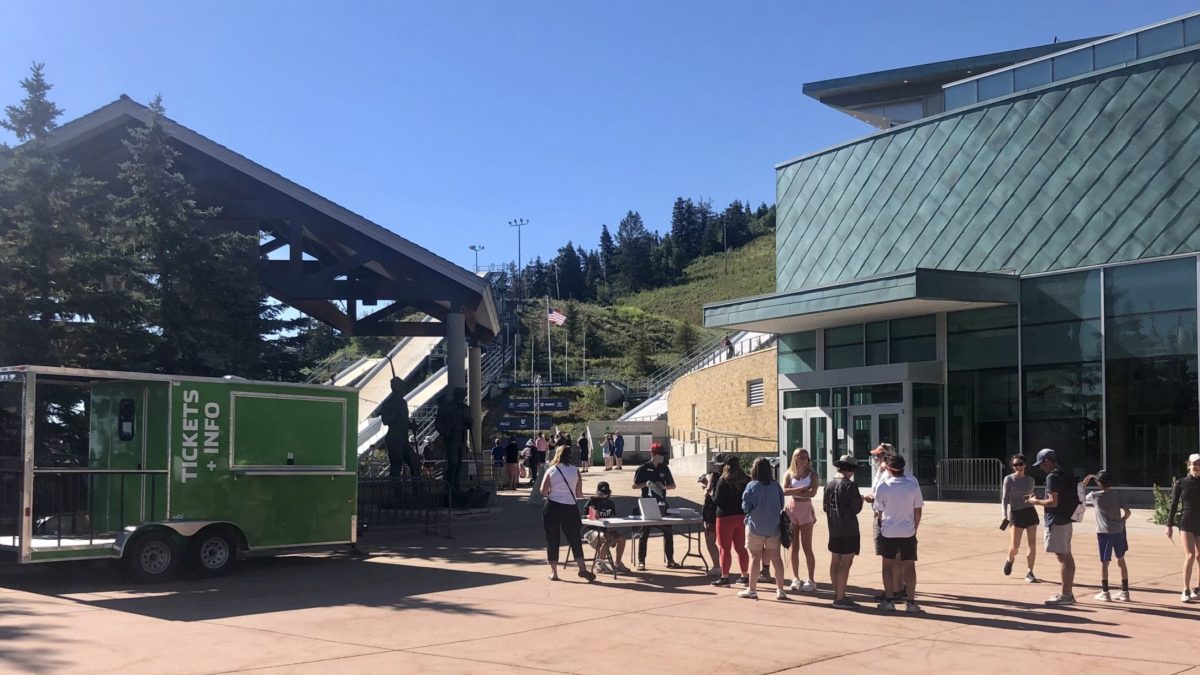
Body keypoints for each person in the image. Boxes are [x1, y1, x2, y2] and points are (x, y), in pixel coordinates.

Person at [1025, 448, 1077, 605]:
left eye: (1041, 464)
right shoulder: (1065, 474)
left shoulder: (1052, 477)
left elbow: (1052, 501)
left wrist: (1035, 501)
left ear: (1047, 462)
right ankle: (1067, 592)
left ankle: (1066, 594)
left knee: (1063, 557)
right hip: (1066, 519)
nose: (1041, 468)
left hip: (1057, 520)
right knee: (1066, 555)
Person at [873, 454, 923, 613]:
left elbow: (878, 511)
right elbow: (918, 511)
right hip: (908, 531)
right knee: (909, 566)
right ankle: (911, 602)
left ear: (888, 468)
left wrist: (882, 525)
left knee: (887, 566)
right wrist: (914, 528)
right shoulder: (913, 485)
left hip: (888, 531)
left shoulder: (883, 486)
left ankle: (889, 600)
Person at [540, 445, 596, 582]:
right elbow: (579, 493)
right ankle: (582, 568)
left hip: (552, 506)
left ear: (557, 455)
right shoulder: (575, 471)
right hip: (570, 507)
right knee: (574, 538)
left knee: (552, 538)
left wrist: (553, 491)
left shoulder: (552, 470)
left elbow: (542, 490)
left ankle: (554, 573)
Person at [738, 457, 788, 601]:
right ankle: (780, 590)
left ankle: (752, 589)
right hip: (773, 527)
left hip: (755, 527)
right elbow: (781, 504)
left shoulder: (752, 486)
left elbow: (746, 507)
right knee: (776, 559)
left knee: (755, 558)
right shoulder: (776, 486)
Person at [863, 443, 907, 600]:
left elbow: (884, 495)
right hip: (891, 517)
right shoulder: (882, 471)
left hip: (886, 519)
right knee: (897, 556)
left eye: (880, 455)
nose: (876, 458)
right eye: (876, 455)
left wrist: (870, 499)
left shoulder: (889, 474)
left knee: (892, 556)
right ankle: (899, 587)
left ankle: (895, 590)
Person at [1082, 470, 1131, 601]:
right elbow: (1127, 512)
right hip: (1118, 530)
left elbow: (1079, 497)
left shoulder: (1094, 495)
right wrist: (1122, 520)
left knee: (1105, 562)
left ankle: (1105, 591)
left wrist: (1084, 484)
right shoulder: (1117, 495)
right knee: (1121, 560)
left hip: (1104, 532)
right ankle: (1125, 591)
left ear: (1098, 483)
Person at [825, 453, 864, 608]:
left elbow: (825, 507)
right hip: (848, 529)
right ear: (850, 470)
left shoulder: (829, 485)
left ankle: (837, 592)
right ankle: (840, 598)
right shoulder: (850, 485)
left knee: (835, 561)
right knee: (845, 563)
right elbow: (855, 508)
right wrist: (860, 500)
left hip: (833, 528)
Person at [632, 443, 678, 570]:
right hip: (647, 504)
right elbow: (634, 485)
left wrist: (664, 487)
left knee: (668, 532)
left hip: (662, 504)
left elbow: (673, 485)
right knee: (644, 533)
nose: (662, 457)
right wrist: (645, 484)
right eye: (660, 455)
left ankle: (670, 560)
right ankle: (641, 561)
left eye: (663, 455)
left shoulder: (664, 468)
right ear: (653, 454)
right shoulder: (643, 468)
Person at [783, 447, 819, 593]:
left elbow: (813, 492)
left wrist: (798, 492)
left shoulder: (812, 474)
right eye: (800, 456)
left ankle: (811, 579)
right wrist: (800, 490)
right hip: (792, 510)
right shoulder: (789, 474)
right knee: (794, 546)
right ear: (794, 457)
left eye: (805, 457)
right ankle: (795, 577)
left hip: (805, 510)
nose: (803, 459)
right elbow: (784, 490)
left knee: (807, 546)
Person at [711, 456, 750, 587]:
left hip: (725, 517)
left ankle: (725, 577)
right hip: (741, 516)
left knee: (724, 548)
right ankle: (744, 576)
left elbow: (716, 500)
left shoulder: (723, 480)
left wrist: (711, 491)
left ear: (726, 466)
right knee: (741, 548)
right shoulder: (746, 480)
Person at [1000, 453, 1039, 583]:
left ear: (1025, 465)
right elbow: (1005, 498)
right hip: (1016, 513)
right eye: (1015, 465)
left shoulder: (1030, 480)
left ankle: (1030, 571)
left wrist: (1033, 499)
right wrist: (1004, 514)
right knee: (1015, 546)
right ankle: (1010, 559)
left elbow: (1032, 496)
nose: (1018, 467)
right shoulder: (1009, 479)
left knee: (1032, 544)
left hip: (1030, 512)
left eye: (1020, 464)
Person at [1167, 453, 1200, 602]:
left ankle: (1198, 589)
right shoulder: (1181, 483)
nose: (1196, 467)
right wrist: (1169, 525)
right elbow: (1173, 504)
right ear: (1189, 466)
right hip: (1186, 523)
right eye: (1194, 464)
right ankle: (1185, 589)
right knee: (1191, 555)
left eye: (1199, 464)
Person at [582, 481, 628, 574]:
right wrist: (591, 515)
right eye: (601, 493)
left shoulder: (610, 503)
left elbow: (613, 518)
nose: (603, 495)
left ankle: (618, 563)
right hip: (591, 531)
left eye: (605, 493)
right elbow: (583, 516)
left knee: (622, 539)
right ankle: (600, 564)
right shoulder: (592, 501)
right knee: (607, 538)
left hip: (606, 529)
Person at [379, 377, 420, 477]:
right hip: (394, 438)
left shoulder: (402, 402)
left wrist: (411, 425)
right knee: (396, 465)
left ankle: (417, 489)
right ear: (397, 388)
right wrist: (395, 412)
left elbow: (404, 421)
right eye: (402, 388)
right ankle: (395, 490)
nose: (404, 390)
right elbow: (386, 421)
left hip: (403, 438)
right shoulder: (388, 403)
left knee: (415, 462)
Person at [699, 455, 726, 577]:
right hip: (726, 512)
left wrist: (705, 486)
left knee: (711, 541)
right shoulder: (732, 476)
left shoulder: (715, 475)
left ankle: (717, 566)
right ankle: (724, 566)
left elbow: (707, 492)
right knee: (725, 543)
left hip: (712, 512)